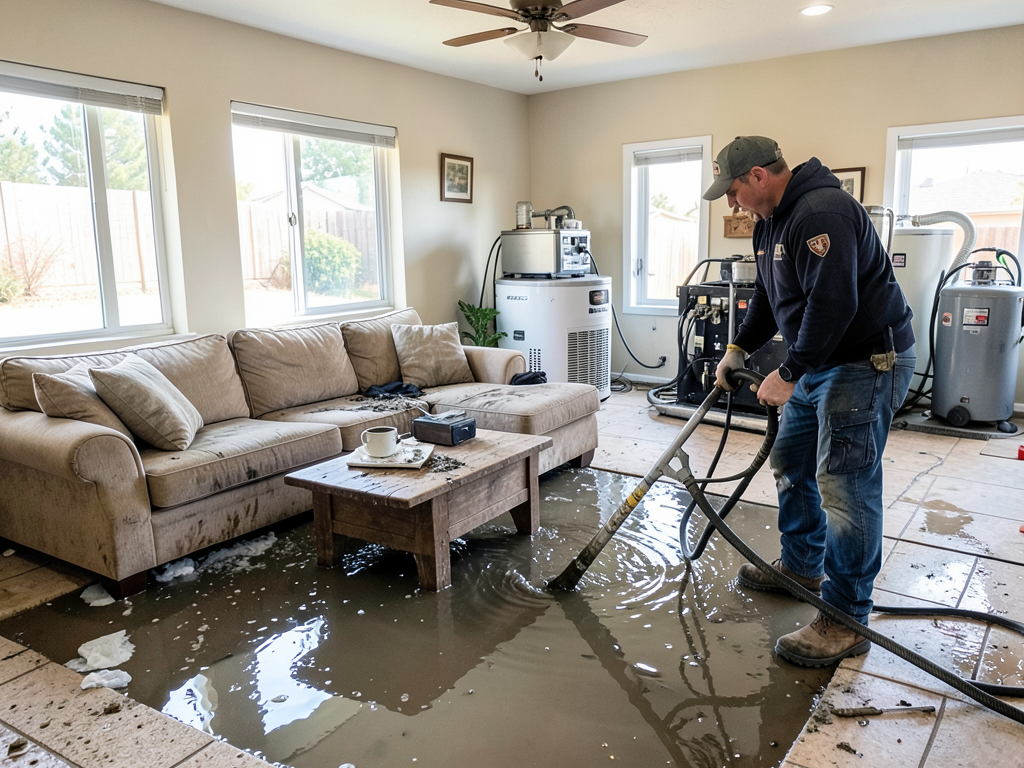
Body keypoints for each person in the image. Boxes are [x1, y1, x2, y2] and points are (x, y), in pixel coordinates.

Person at [703, 136, 916, 667]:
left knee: (844, 487)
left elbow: (834, 302)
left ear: (757, 176)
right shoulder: (771, 221)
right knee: (792, 460)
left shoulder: (822, 212)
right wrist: (737, 349)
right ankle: (801, 566)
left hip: (866, 361)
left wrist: (790, 371)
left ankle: (846, 620)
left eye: (732, 191)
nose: (731, 203)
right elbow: (773, 302)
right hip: (822, 360)